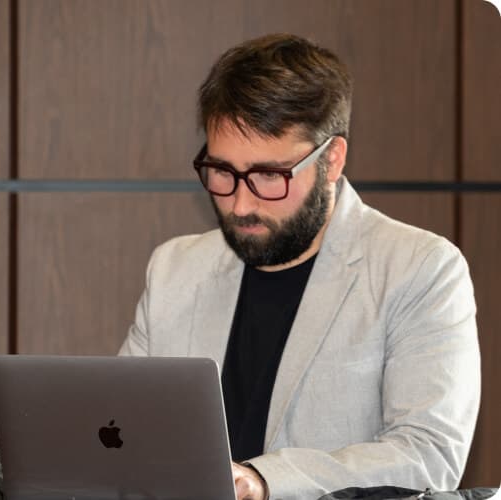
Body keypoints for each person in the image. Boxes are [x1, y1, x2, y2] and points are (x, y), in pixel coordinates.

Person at [119, 34, 480, 500]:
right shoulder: (174, 268)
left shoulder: (420, 270)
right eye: (222, 172)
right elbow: (122, 425)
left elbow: (428, 456)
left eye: (269, 175)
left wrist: (265, 480)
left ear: (332, 159)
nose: (241, 203)